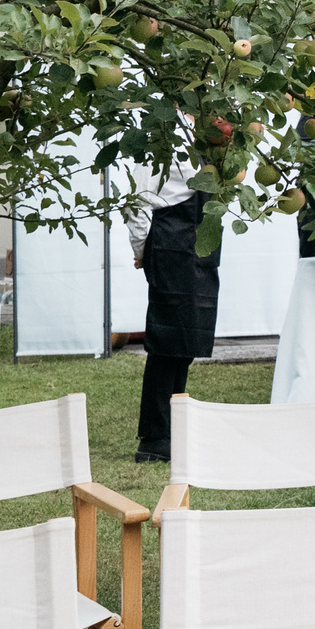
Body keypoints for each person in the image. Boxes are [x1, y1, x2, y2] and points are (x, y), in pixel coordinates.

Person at [125, 139, 220, 462]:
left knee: (186, 344)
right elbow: (137, 200)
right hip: (171, 242)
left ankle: (174, 430)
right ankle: (153, 439)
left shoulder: (213, 136)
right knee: (167, 342)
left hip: (199, 245)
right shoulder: (161, 139)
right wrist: (142, 249)